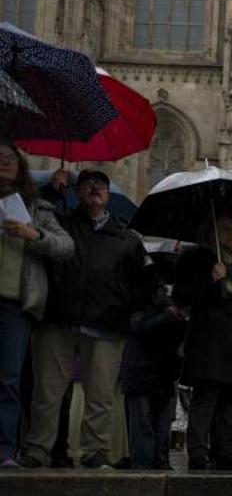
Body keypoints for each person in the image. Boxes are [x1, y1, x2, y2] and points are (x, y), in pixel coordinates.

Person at [20, 170, 146, 470]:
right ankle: (38, 449)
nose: (95, 188)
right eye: (88, 184)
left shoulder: (126, 236)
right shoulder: (61, 223)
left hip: (107, 324)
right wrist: (53, 190)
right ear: (77, 192)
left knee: (100, 395)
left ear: (108, 194)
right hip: (59, 318)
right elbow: (32, 215)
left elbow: (140, 282)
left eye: (101, 184)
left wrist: (126, 312)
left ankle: (95, 451)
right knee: (47, 392)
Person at [0, 141, 74, 468]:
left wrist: (33, 235)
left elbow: (65, 247)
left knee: (8, 380)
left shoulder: (37, 208)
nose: (4, 162)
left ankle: (4, 450)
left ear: (20, 167)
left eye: (9, 158)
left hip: (16, 303)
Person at [173, 213, 232, 470]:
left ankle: (227, 452)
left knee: (229, 399)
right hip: (208, 339)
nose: (231, 234)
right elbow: (183, 296)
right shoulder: (196, 259)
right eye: (226, 229)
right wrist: (211, 279)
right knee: (206, 397)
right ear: (210, 231)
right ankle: (198, 453)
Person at [120, 263, 187, 469]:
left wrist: (177, 318)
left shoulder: (168, 307)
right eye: (159, 287)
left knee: (161, 424)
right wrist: (168, 316)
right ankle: (144, 462)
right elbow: (141, 326)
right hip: (141, 374)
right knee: (143, 423)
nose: (163, 291)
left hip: (162, 374)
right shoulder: (137, 307)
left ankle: (159, 459)